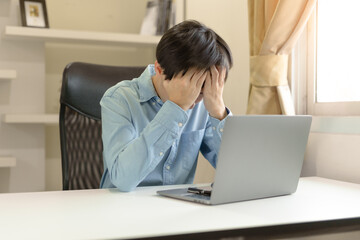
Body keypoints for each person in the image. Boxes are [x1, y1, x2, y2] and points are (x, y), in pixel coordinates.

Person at [100, 20, 233, 191]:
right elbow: (123, 179)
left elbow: (241, 173)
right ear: (160, 70)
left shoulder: (205, 104)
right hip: (123, 208)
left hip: (178, 209)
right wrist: (176, 108)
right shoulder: (118, 99)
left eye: (203, 91)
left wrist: (218, 113)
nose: (195, 101)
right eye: (190, 86)